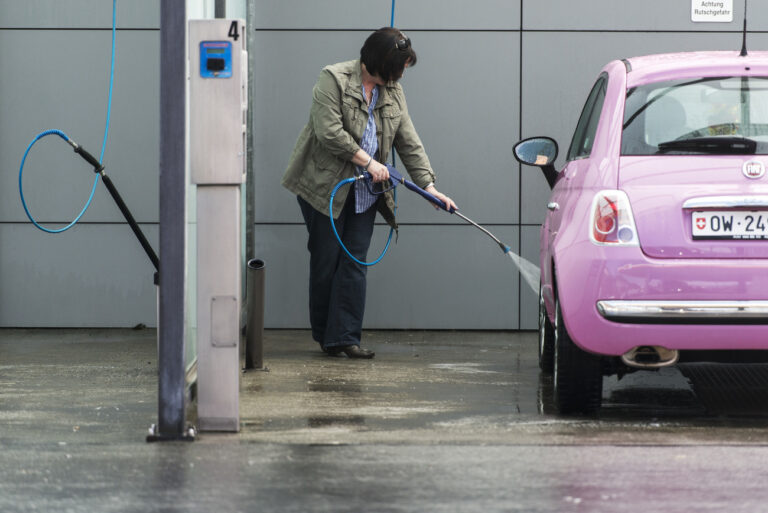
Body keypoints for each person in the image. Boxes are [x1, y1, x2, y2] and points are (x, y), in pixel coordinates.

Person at [282, 27, 456, 359]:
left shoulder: (393, 92)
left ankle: (345, 337)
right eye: (401, 65)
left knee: (354, 262)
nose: (404, 72)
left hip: (365, 192)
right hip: (324, 188)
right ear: (382, 61)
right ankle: (325, 336)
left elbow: (408, 141)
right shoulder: (332, 79)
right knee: (326, 261)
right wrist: (368, 161)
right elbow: (328, 131)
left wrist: (430, 187)